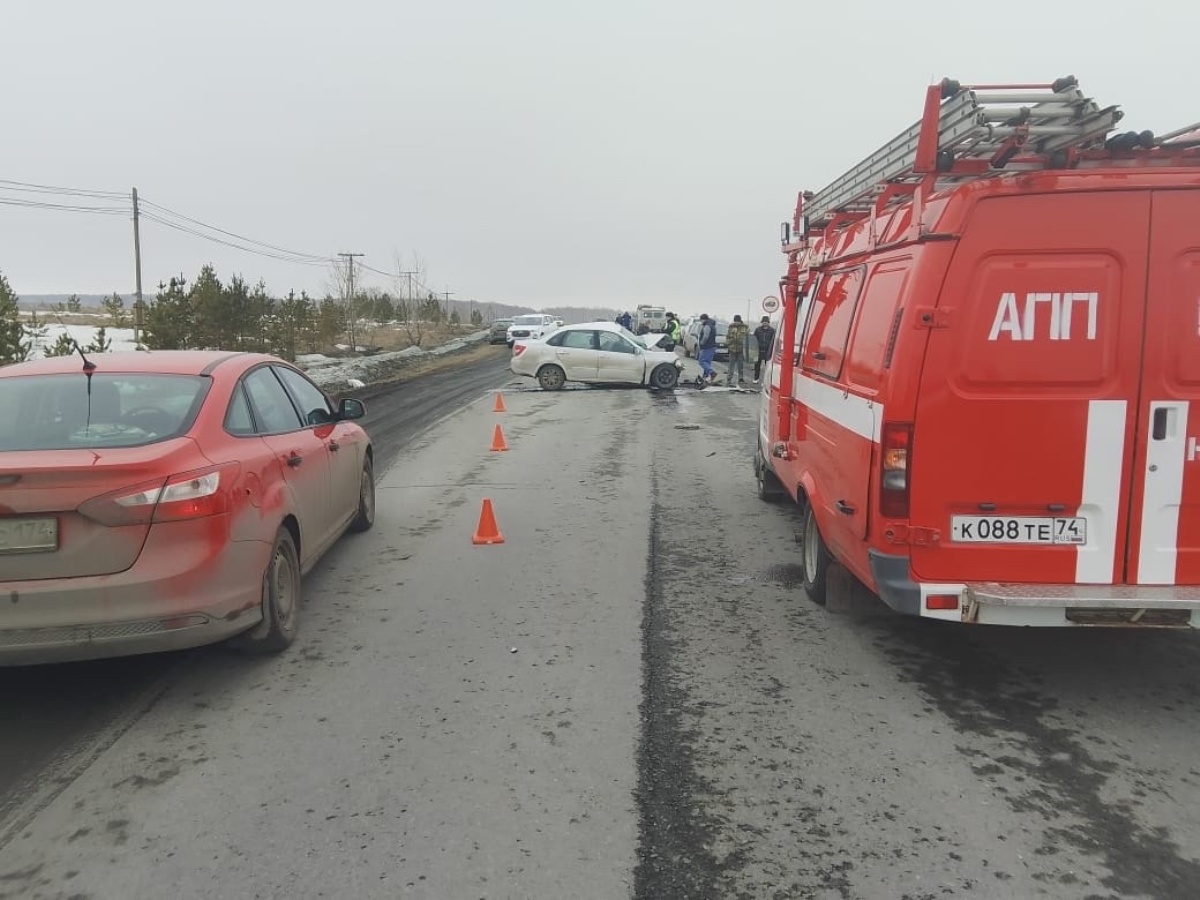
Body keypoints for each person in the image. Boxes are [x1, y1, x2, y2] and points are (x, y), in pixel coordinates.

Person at [725, 315, 749, 386]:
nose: (736, 323)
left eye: (737, 321)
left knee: (740, 365)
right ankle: (729, 379)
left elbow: (748, 338)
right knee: (731, 365)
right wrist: (728, 343)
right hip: (732, 348)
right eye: (735, 321)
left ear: (740, 321)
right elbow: (727, 337)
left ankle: (741, 378)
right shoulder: (731, 327)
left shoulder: (745, 328)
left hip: (741, 349)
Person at [753, 315, 776, 383]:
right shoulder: (758, 330)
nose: (764, 323)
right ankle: (756, 379)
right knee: (757, 365)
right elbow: (754, 339)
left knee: (768, 366)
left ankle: (767, 380)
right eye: (763, 322)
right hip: (758, 350)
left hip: (768, 351)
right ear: (761, 322)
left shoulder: (772, 330)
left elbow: (774, 340)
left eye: (766, 322)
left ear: (768, 323)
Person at [696, 313, 718, 384]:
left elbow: (705, 336)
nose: (701, 322)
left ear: (703, 319)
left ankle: (712, 373)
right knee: (707, 362)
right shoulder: (712, 325)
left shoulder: (707, 326)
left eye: (701, 320)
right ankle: (705, 377)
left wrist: (702, 343)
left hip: (707, 346)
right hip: (712, 346)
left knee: (701, 361)